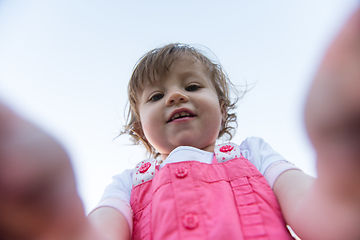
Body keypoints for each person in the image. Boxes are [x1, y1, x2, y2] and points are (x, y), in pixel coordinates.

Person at [0, 5, 360, 240]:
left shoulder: (254, 155)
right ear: (141, 129)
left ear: (220, 105)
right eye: (156, 97)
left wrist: (344, 189)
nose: (175, 97)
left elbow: (310, 205)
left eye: (191, 86)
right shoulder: (129, 183)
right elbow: (101, 230)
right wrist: (56, 223)